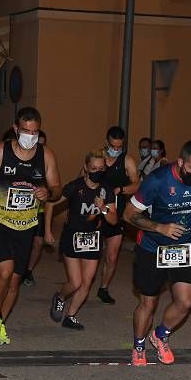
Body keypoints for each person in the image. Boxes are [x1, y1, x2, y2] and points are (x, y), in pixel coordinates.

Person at [124, 140, 191, 365]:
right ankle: (139, 345)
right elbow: (128, 214)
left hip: (184, 247)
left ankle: (160, 336)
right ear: (180, 162)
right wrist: (160, 227)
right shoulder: (158, 180)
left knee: (185, 302)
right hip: (152, 246)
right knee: (148, 303)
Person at [0, 107, 61, 345]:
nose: (30, 136)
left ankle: (0, 322)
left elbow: (57, 188)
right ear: (15, 129)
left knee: (14, 281)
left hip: (26, 224)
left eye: (35, 132)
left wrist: (48, 192)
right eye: (25, 131)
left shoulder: (46, 155)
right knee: (3, 271)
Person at [49, 149, 118, 330]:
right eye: (94, 168)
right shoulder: (75, 186)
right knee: (75, 282)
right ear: (86, 168)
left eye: (101, 168)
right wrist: (48, 230)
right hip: (72, 236)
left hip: (93, 238)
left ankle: (70, 316)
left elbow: (113, 220)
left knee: (87, 282)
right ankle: (60, 297)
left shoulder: (106, 190)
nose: (97, 172)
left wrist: (103, 208)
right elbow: (51, 203)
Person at [96, 126, 140, 305]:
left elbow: (137, 184)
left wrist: (120, 189)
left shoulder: (127, 160)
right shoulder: (96, 156)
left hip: (116, 212)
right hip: (96, 210)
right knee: (90, 252)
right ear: (107, 142)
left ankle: (103, 288)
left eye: (119, 146)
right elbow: (82, 177)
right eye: (113, 146)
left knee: (112, 255)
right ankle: (81, 283)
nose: (116, 149)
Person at [21, 129, 49, 287]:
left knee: (38, 243)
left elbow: (55, 188)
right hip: (19, 211)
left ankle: (28, 271)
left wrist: (47, 191)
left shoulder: (47, 161)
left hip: (39, 210)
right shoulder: (23, 160)